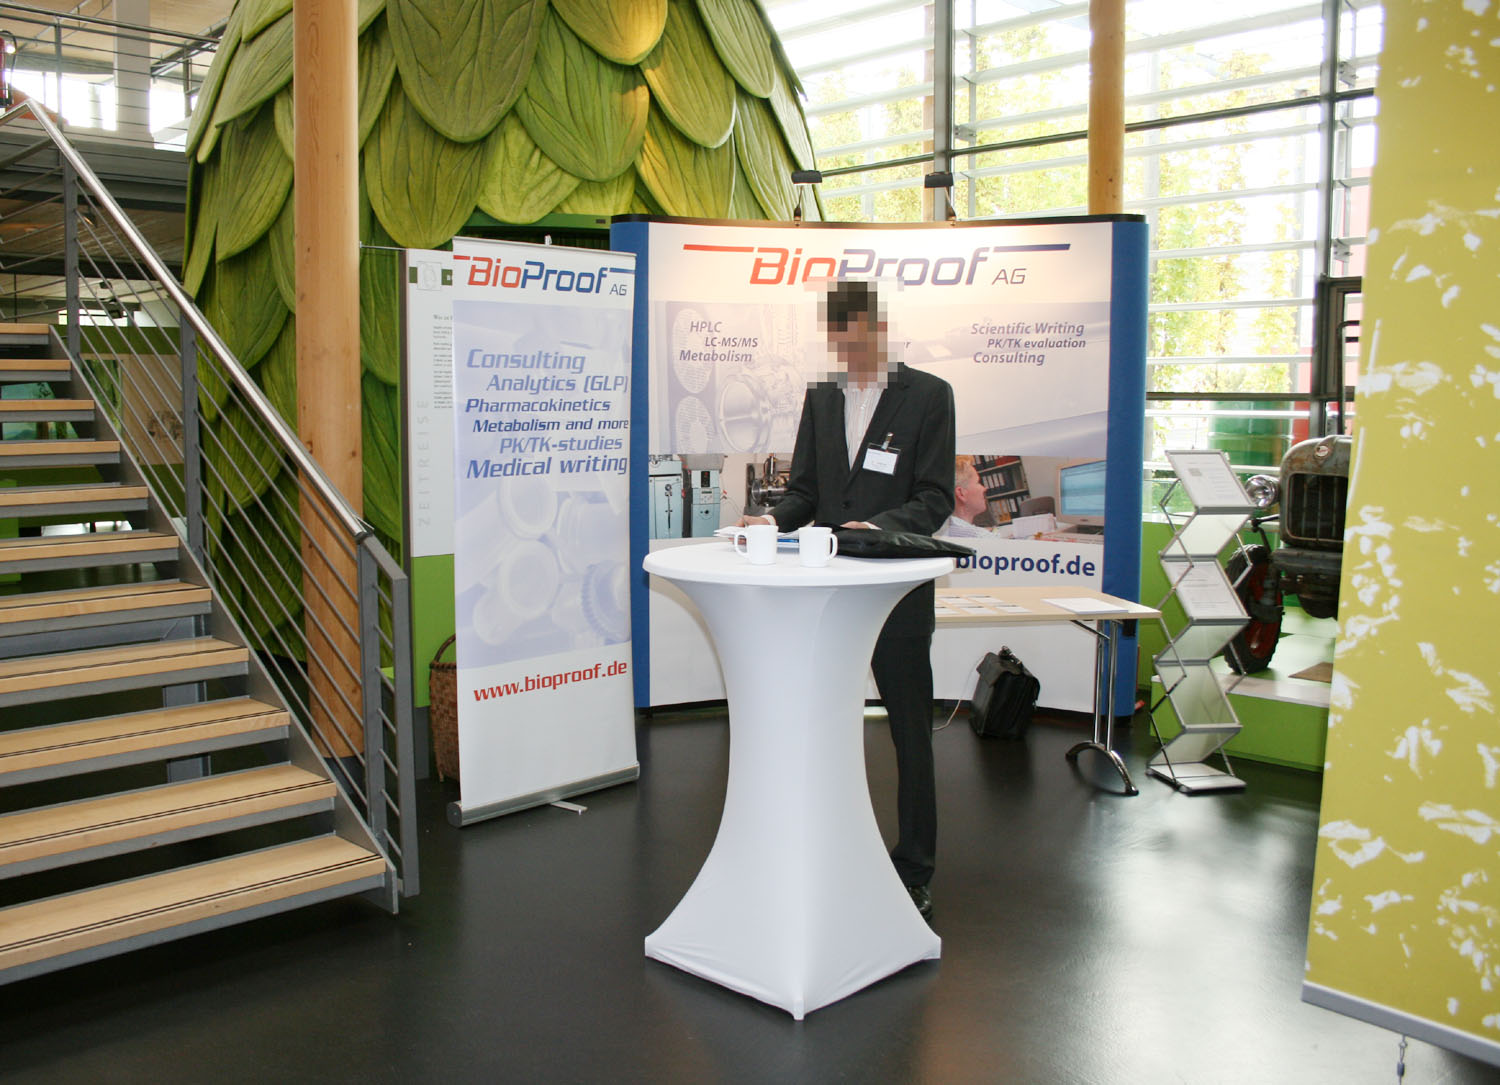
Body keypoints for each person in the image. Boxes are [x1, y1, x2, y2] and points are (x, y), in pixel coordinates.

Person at [738, 279, 955, 921]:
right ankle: (825, 851)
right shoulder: (823, 395)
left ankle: (914, 868)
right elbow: (806, 489)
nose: (850, 349)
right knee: (820, 723)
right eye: (840, 339)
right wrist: (771, 521)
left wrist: (881, 529)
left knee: (910, 734)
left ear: (881, 331)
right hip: (826, 591)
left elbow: (935, 497)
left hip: (894, 592)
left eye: (860, 337)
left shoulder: (930, 396)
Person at [939, 455, 994, 538]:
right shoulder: (981, 536)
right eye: (978, 482)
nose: (984, 488)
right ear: (961, 493)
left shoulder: (942, 532)